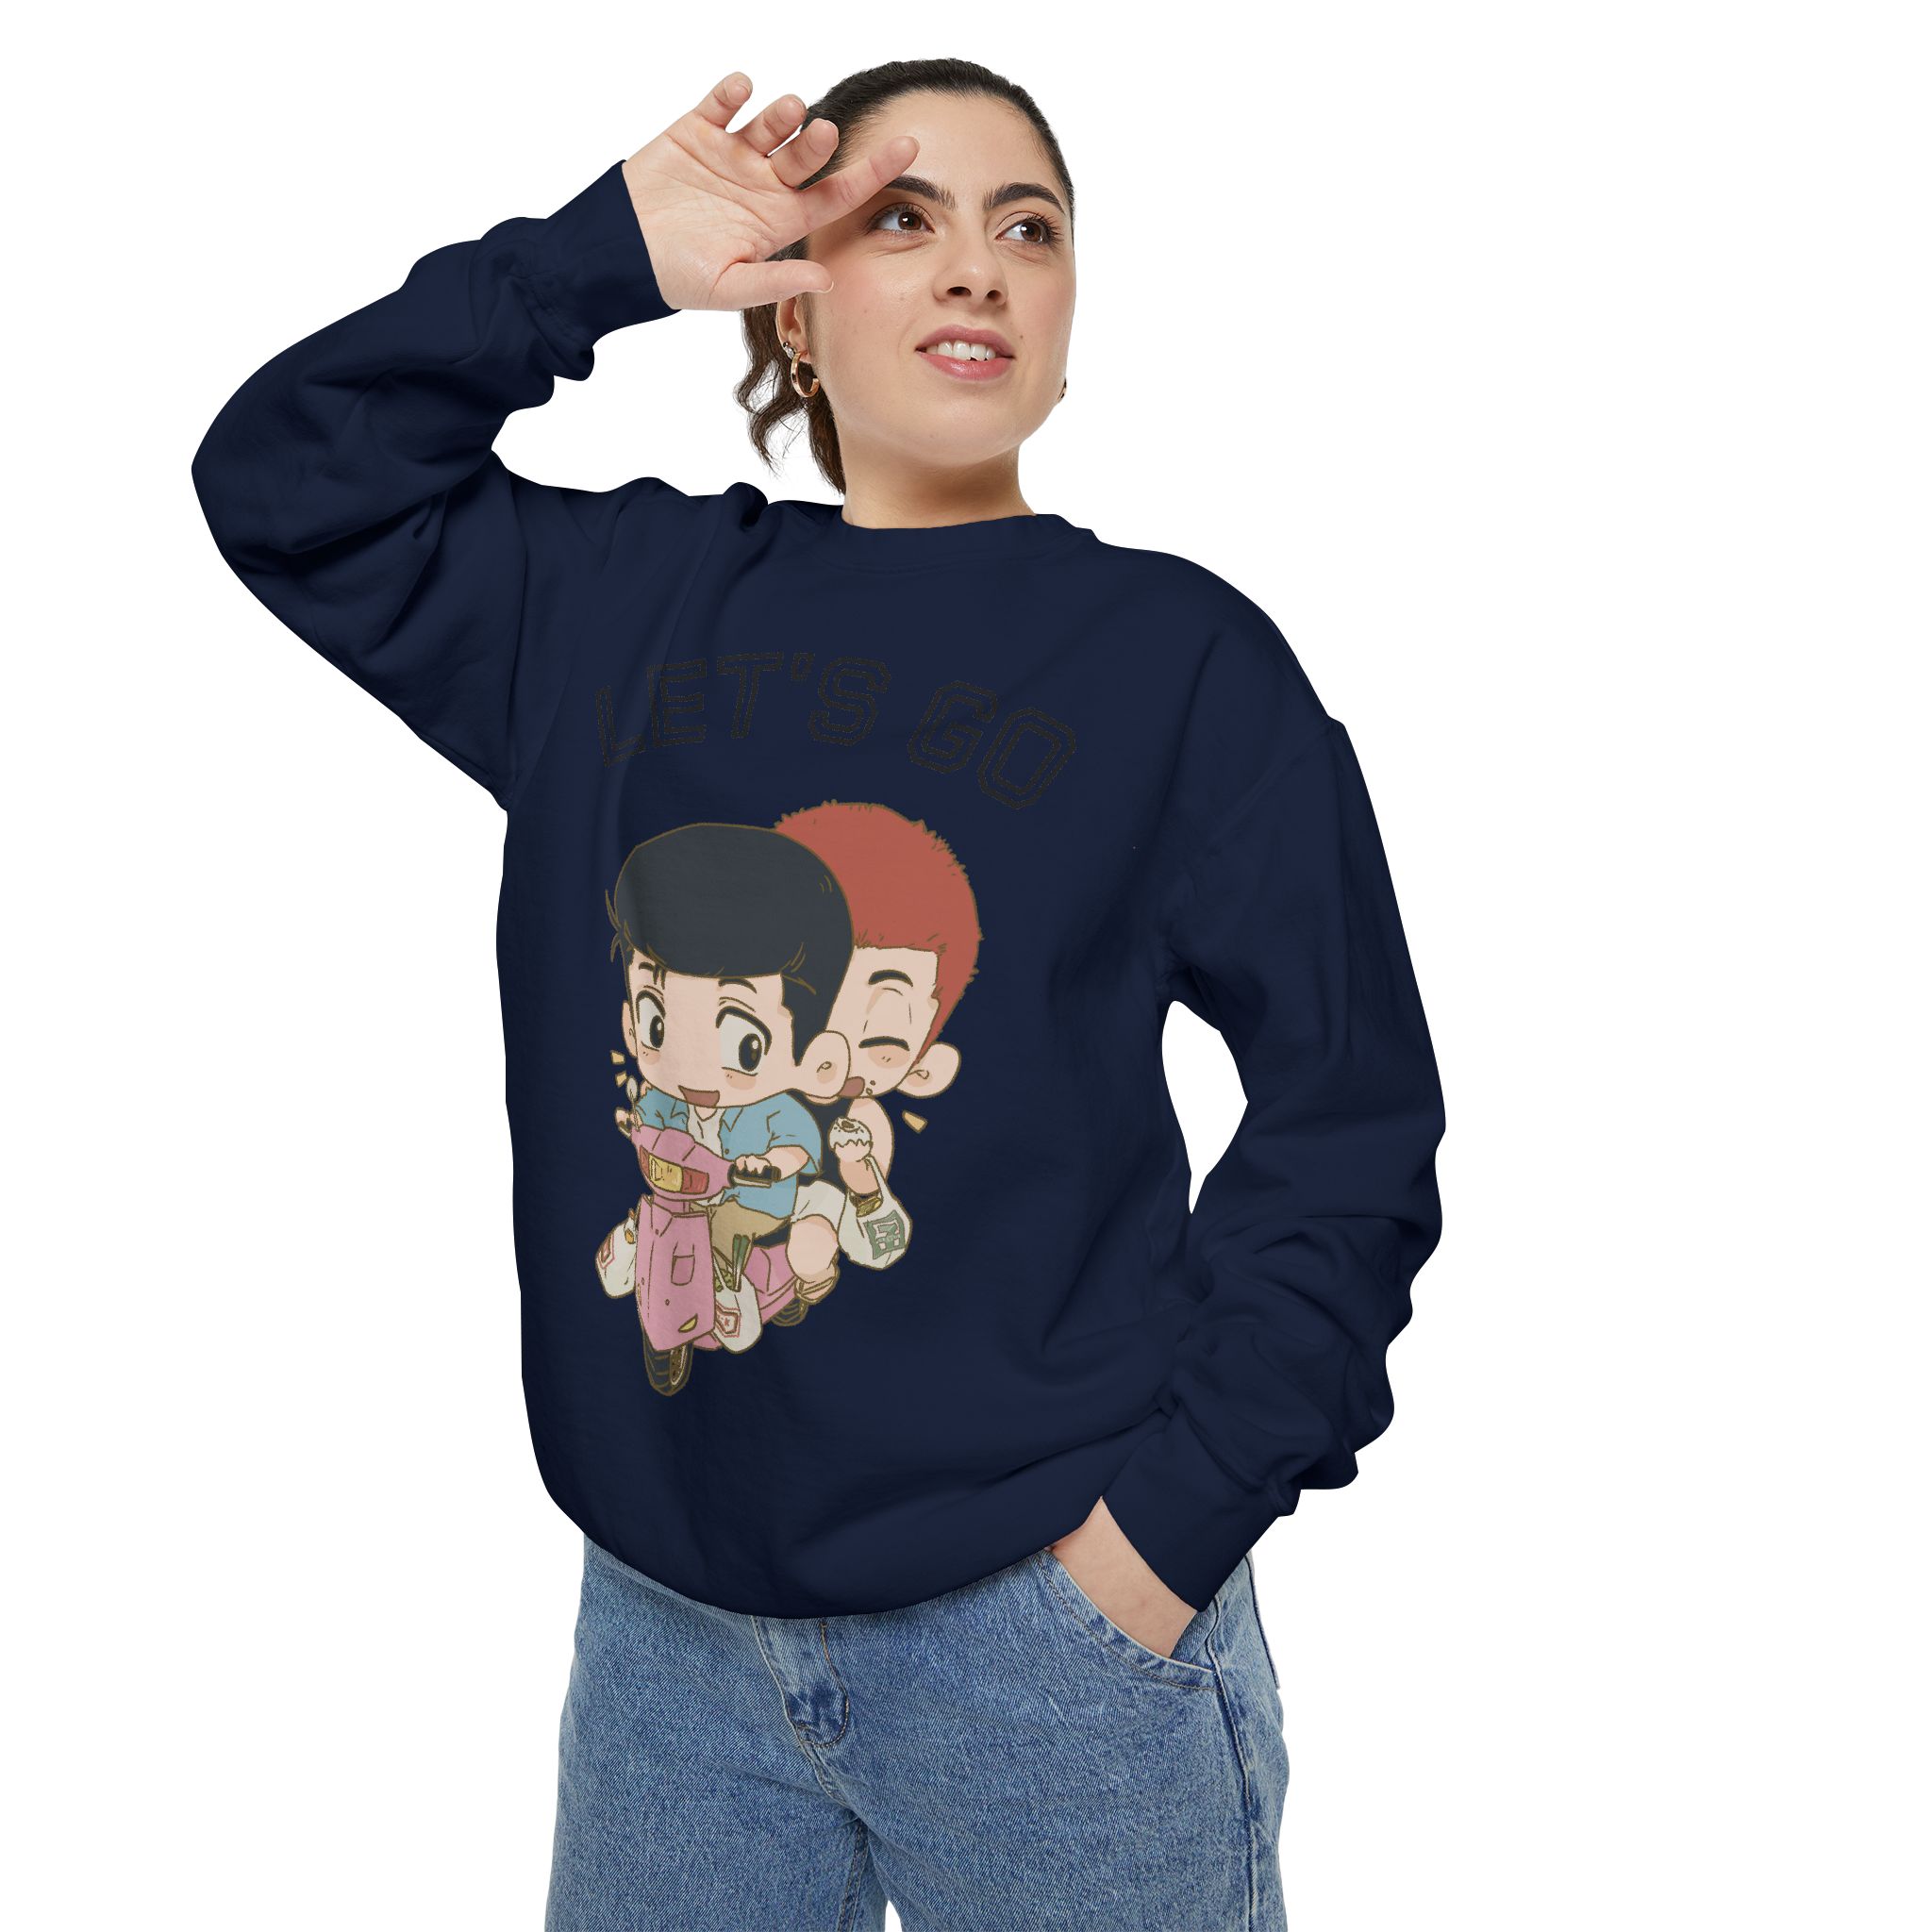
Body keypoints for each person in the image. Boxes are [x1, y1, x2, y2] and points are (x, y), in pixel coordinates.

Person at [191, 58, 1446, 1932]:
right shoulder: (612, 611)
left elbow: (1350, 1119)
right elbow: (286, 480)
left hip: (1052, 1642)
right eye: (901, 218)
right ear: (790, 298)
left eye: (1030, 228)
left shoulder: (1181, 663)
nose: (977, 267)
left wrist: (1164, 1537)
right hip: (667, 1643)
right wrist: (596, 257)